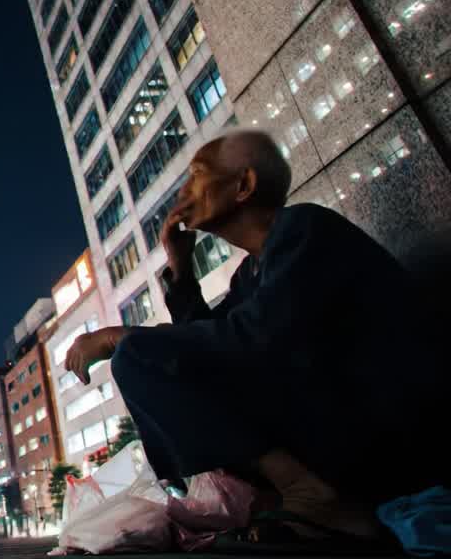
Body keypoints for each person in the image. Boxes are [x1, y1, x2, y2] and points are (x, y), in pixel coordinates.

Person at [64, 130, 447, 542]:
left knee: (135, 352)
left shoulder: (304, 228)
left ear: (243, 186)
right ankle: (281, 498)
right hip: (330, 426)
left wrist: (119, 336)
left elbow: (251, 340)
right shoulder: (250, 273)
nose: (182, 190)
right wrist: (182, 269)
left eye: (196, 175)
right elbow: (203, 349)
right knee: (141, 357)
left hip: (387, 430)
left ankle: (311, 496)